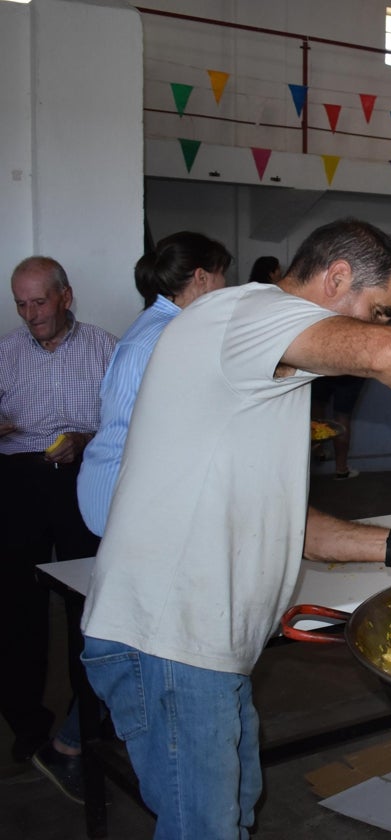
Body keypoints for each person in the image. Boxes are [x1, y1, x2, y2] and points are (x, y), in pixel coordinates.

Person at [78, 218, 391, 839]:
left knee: (236, 805)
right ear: (337, 277)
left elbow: (278, 516)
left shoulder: (268, 361)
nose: (383, 326)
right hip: (167, 640)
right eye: (379, 309)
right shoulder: (247, 314)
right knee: (204, 828)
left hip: (203, 647)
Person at [31, 233, 232, 803]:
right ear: (201, 278)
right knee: (145, 642)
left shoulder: (154, 326)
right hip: (130, 503)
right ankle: (81, 745)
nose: (226, 288)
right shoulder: (172, 335)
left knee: (133, 634)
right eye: (222, 276)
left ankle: (75, 742)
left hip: (115, 496)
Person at [0, 258, 116, 764]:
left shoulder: (106, 349)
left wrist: (85, 440)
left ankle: (86, 717)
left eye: (39, 302)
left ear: (65, 296)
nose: (30, 314)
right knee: (13, 603)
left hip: (79, 479)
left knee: (83, 599)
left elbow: (125, 425)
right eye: (21, 304)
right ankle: (26, 723)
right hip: (17, 480)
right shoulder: (5, 351)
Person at [311, 375, 366, 479]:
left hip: (323, 365)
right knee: (342, 414)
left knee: (317, 404)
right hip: (350, 371)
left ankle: (318, 451)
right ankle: (341, 469)